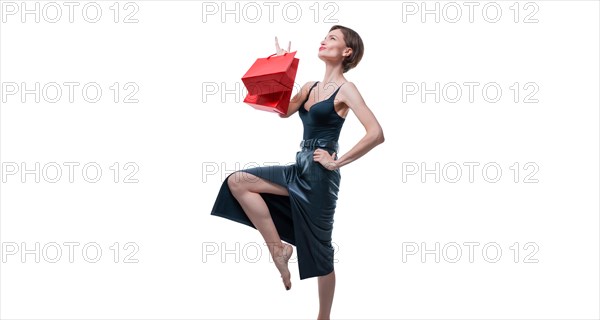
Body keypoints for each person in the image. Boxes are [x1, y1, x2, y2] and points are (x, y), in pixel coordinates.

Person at [210, 25, 384, 319]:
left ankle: (323, 317)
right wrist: (281, 68)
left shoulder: (347, 89)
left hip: (319, 176)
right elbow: (280, 110)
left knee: (320, 250)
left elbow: (376, 133)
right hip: (299, 166)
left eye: (332, 38)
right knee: (238, 182)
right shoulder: (310, 87)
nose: (324, 40)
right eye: (325, 36)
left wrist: (336, 162)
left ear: (347, 51)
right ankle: (279, 249)